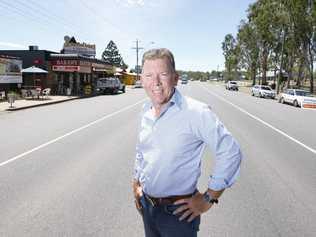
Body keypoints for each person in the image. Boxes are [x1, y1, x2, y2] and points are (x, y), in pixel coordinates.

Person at [133, 48, 242, 237]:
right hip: (147, 208)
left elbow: (230, 152)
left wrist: (208, 198)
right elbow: (142, 151)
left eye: (163, 74)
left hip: (178, 216)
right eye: (149, 75)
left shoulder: (195, 112)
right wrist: (136, 182)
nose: (156, 82)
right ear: (141, 80)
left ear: (175, 78)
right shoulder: (146, 110)